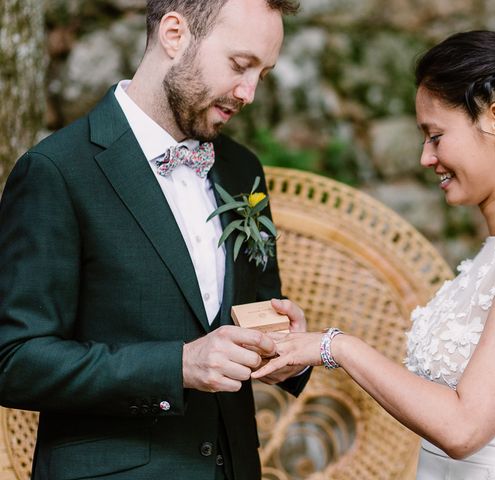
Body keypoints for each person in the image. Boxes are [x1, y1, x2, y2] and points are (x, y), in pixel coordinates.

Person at [253, 30, 495, 479]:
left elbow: (463, 427)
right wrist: (308, 343)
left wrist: (336, 346)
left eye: (435, 136)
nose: (425, 158)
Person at [0, 1, 310, 479]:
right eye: (239, 65)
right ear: (173, 34)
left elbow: (255, 305)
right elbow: (15, 360)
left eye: (262, 74)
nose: (249, 92)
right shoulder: (57, 171)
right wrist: (178, 366)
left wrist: (283, 349)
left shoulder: (241, 169)